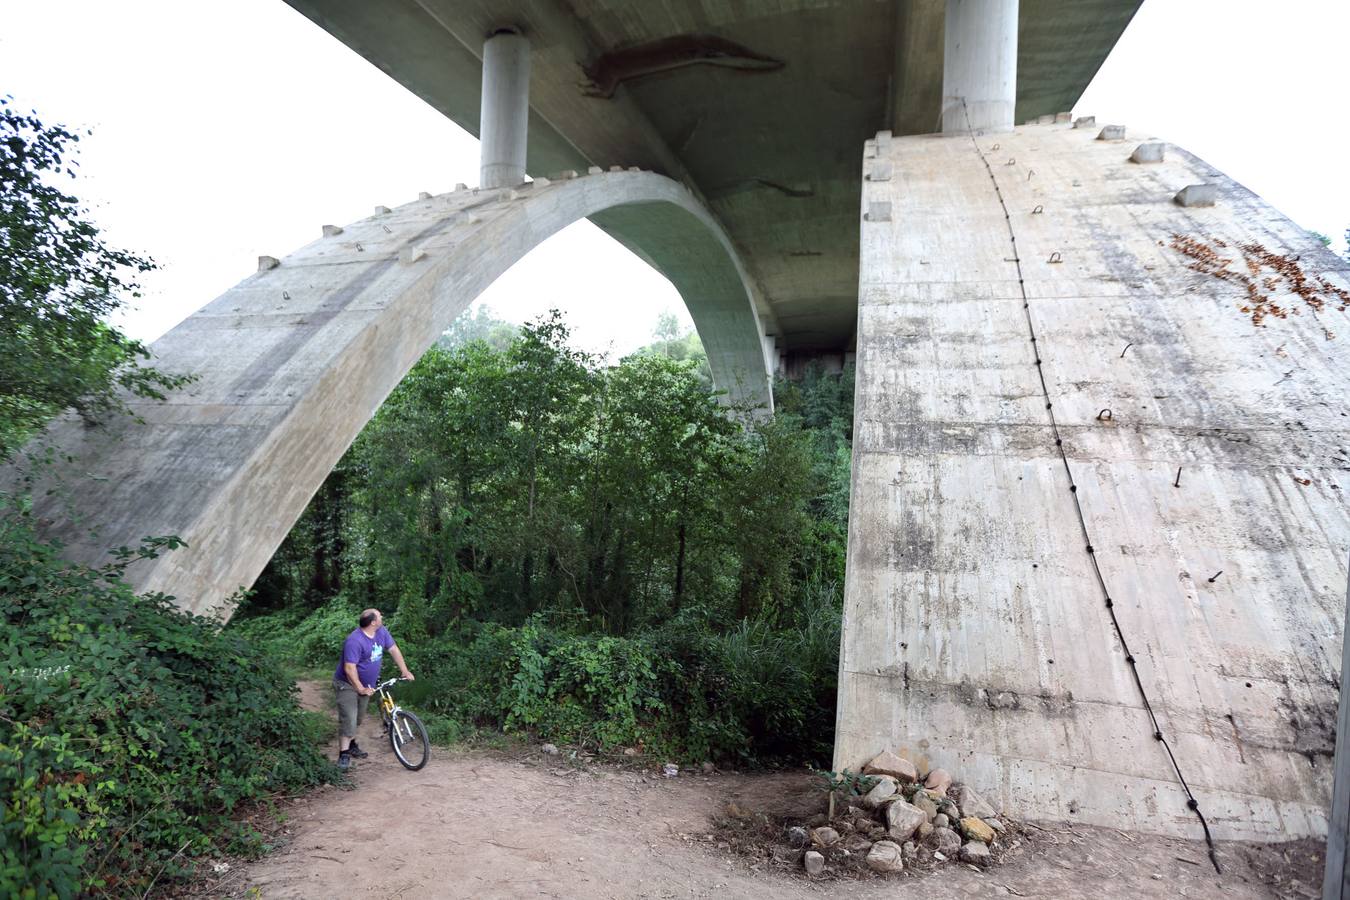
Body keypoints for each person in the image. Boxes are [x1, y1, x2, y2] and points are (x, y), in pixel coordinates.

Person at [333, 608, 414, 770]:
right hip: (347, 684)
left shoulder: (381, 632)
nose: (382, 616)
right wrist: (360, 689)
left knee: (358, 719)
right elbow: (349, 669)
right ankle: (344, 754)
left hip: (367, 685)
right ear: (373, 622)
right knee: (349, 717)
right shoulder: (354, 641)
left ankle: (352, 743)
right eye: (379, 615)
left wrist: (404, 670)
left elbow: (393, 650)